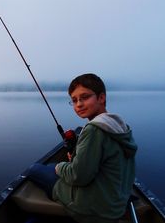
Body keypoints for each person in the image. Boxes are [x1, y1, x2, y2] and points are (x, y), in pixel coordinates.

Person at [27, 73, 137, 223]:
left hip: (95, 210)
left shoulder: (94, 130)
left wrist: (60, 166)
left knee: (35, 169)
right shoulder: (119, 126)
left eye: (85, 97)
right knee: (54, 167)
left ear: (101, 98)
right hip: (116, 205)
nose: (78, 104)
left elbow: (78, 176)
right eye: (74, 100)